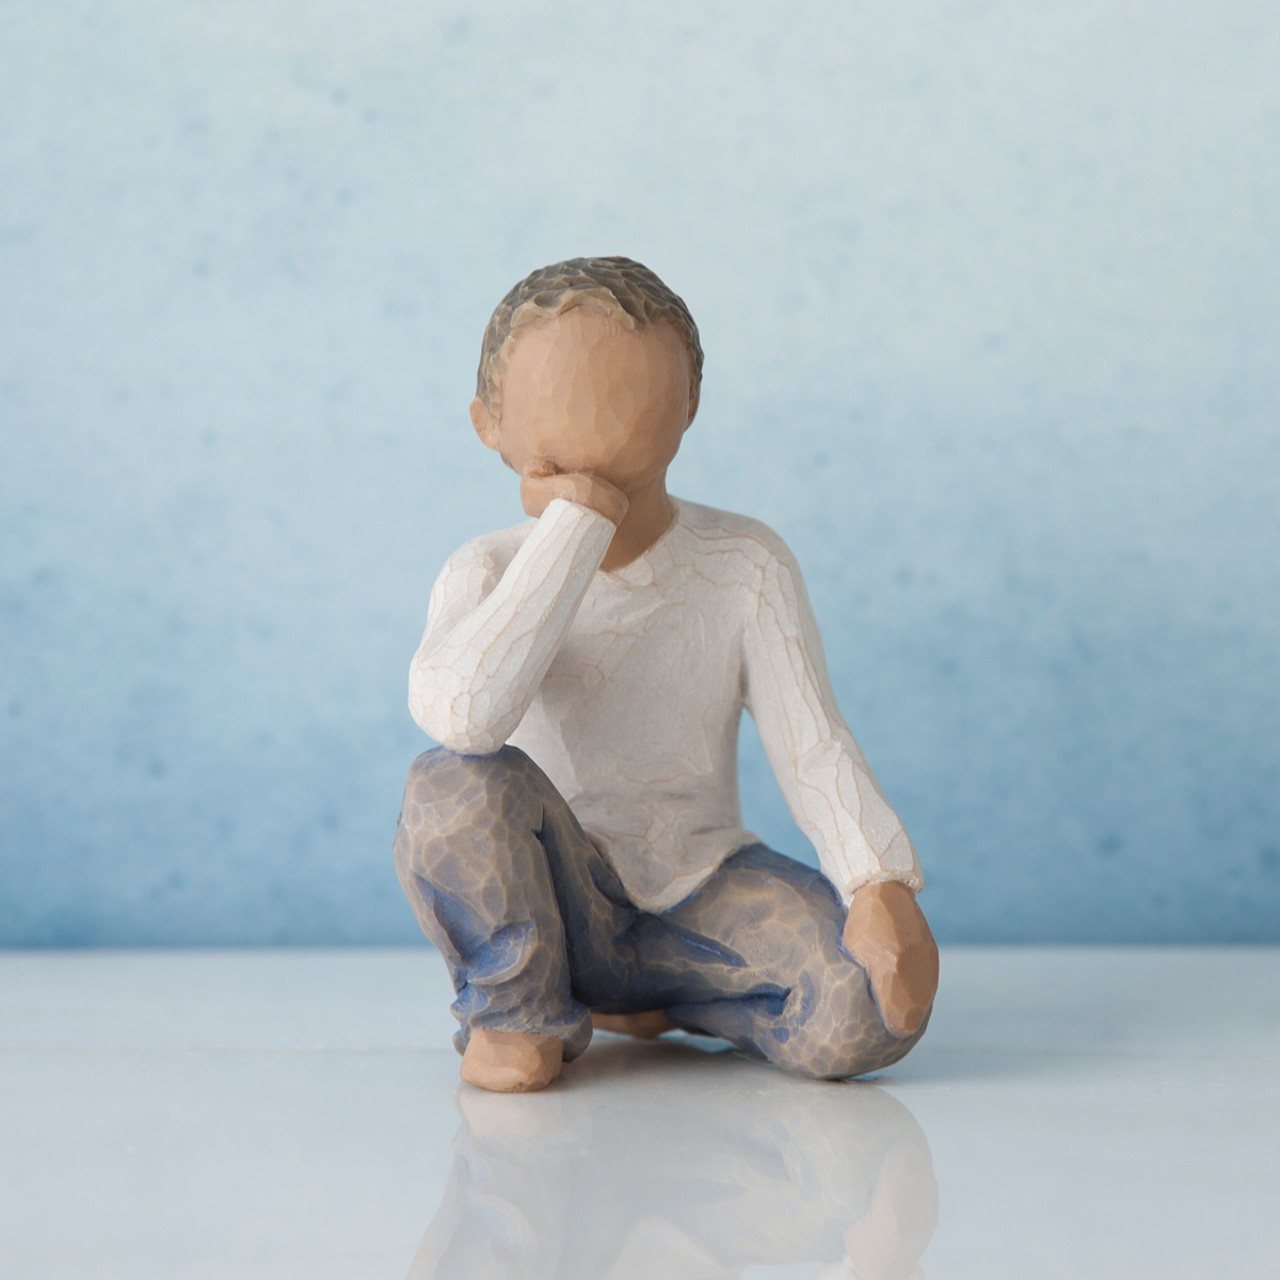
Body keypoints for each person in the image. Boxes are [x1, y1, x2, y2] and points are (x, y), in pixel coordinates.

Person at [394, 256, 938, 1092]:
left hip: (702, 890)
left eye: (630, 395)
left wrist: (877, 882)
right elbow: (466, 716)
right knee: (448, 790)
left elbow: (812, 743)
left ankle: (663, 994)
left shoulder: (743, 562)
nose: (598, 418)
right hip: (559, 897)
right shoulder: (486, 570)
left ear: (688, 404)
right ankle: (521, 1008)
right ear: (487, 423)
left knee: (861, 1020)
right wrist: (580, 520)